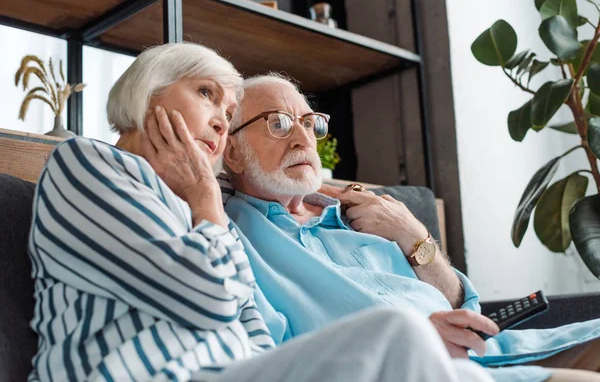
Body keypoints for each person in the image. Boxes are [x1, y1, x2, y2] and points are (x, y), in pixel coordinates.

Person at [27, 43, 492, 382]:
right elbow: (209, 299)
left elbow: (253, 327)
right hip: (144, 373)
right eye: (206, 93)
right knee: (400, 332)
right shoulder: (89, 164)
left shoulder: (197, 205)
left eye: (227, 113)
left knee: (465, 375)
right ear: (150, 96)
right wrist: (207, 193)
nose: (218, 121)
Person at [221, 73, 600, 382]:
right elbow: (274, 360)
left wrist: (413, 235)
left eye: (309, 123)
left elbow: (461, 306)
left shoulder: (365, 215)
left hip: (505, 351)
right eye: (279, 124)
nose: (303, 138)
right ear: (232, 151)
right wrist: (415, 341)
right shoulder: (230, 239)